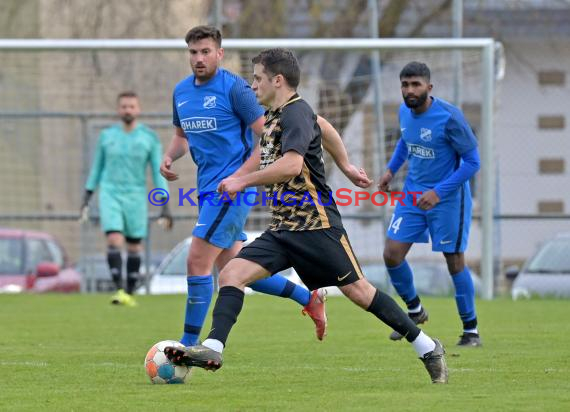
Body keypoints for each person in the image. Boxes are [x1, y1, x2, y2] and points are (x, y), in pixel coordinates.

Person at [164, 48, 448, 384]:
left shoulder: (295, 113)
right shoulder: (276, 114)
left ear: (277, 80)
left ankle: (427, 346)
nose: (252, 86)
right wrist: (344, 164)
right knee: (231, 274)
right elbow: (324, 126)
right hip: (284, 228)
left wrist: (242, 180)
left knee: (360, 293)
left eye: (257, 79)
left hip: (317, 226)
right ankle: (213, 347)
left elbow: (292, 165)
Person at [160, 25, 371, 346]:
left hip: (231, 191)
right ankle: (307, 298)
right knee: (236, 267)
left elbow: (269, 137)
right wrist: (169, 157)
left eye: (206, 52)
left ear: (220, 53)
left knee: (196, 260)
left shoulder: (236, 90)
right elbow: (181, 137)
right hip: (208, 190)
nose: (199, 58)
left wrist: (239, 178)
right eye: (193, 52)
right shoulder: (182, 92)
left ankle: (187, 347)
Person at [378, 61, 482, 347]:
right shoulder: (404, 112)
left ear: (429, 87)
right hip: (412, 193)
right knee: (392, 254)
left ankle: (471, 330)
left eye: (415, 84)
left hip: (448, 199)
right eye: (405, 85)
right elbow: (405, 142)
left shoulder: (450, 117)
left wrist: (438, 192)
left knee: (454, 260)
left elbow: (473, 163)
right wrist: (390, 170)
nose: (410, 90)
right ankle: (415, 311)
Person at [81, 91, 173, 307]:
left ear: (138, 109)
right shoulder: (107, 136)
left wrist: (164, 205)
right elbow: (97, 168)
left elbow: (157, 172)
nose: (127, 110)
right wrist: (87, 195)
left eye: (131, 106)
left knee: (134, 246)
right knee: (114, 239)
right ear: (118, 109)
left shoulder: (149, 138)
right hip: (110, 193)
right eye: (124, 106)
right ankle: (119, 288)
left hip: (136, 195)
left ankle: (129, 292)